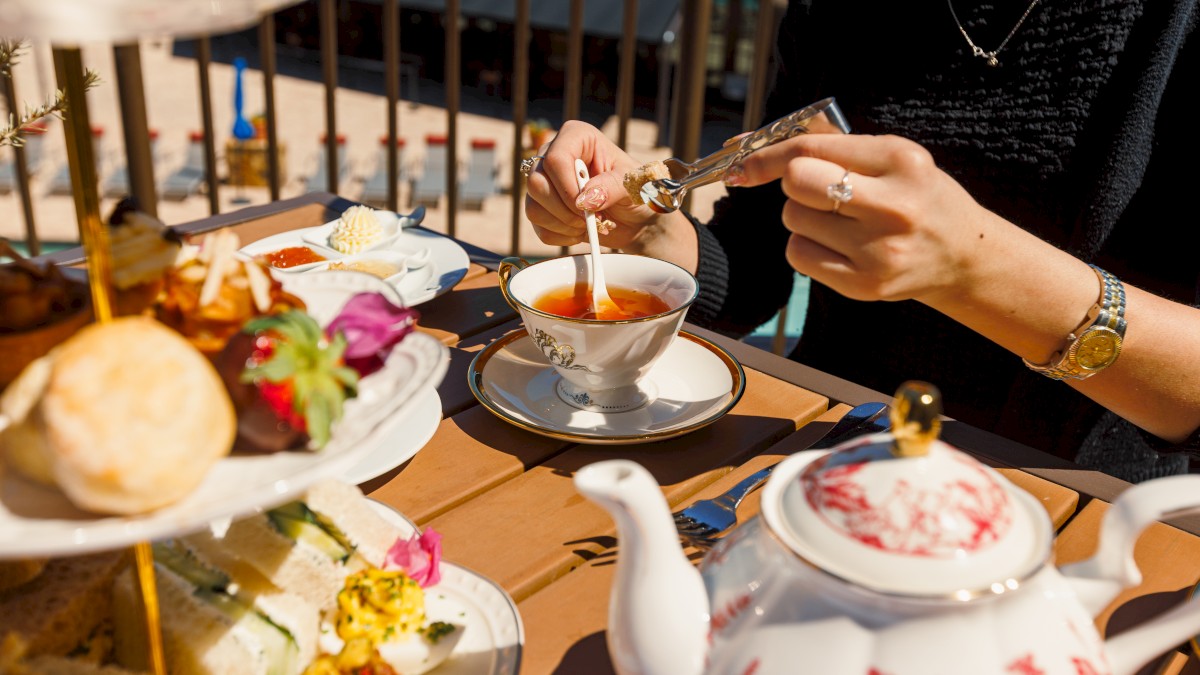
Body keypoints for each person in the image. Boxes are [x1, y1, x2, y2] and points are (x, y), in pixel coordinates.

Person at [523, 0, 1200, 483]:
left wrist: (973, 268)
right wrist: (647, 230)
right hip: (830, 462)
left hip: (1084, 505)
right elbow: (756, 265)